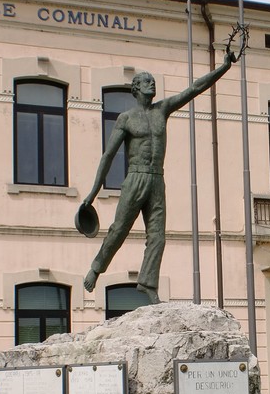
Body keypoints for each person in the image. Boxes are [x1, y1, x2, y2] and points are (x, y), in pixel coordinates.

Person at [82, 51, 236, 303]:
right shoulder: (126, 119)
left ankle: (148, 283)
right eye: (146, 81)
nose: (152, 84)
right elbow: (108, 156)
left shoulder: (162, 109)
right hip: (135, 178)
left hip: (156, 180)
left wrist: (224, 67)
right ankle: (96, 268)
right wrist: (92, 193)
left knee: (158, 237)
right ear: (136, 88)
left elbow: (195, 88)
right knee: (119, 229)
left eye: (152, 80)